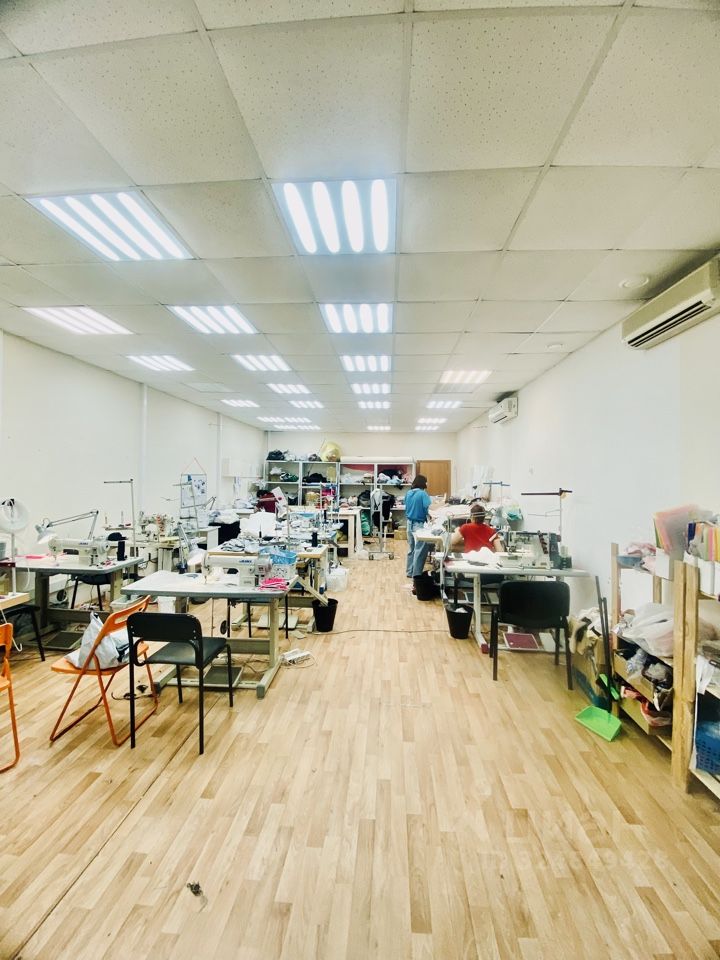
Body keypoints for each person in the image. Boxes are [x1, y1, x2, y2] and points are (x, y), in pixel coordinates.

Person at [405, 474, 432, 580]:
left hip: (409, 523)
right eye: (426, 482)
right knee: (420, 550)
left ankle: (409, 572)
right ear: (423, 483)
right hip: (419, 524)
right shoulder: (423, 494)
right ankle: (416, 575)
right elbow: (428, 508)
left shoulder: (408, 493)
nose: (427, 484)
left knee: (411, 549)